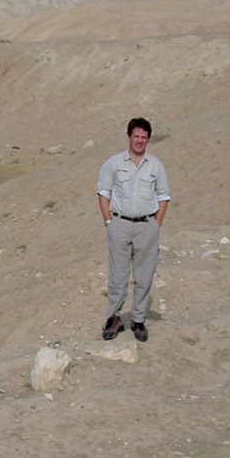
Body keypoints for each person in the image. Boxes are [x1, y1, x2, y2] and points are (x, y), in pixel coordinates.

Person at [97, 117, 170, 342]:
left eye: (144, 137)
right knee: (118, 275)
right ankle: (114, 318)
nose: (140, 141)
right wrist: (109, 222)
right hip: (119, 224)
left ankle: (138, 319)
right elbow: (103, 193)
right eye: (136, 136)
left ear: (148, 139)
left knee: (144, 274)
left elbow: (163, 196)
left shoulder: (155, 166)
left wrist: (156, 224)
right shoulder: (114, 163)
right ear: (129, 137)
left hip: (147, 225)